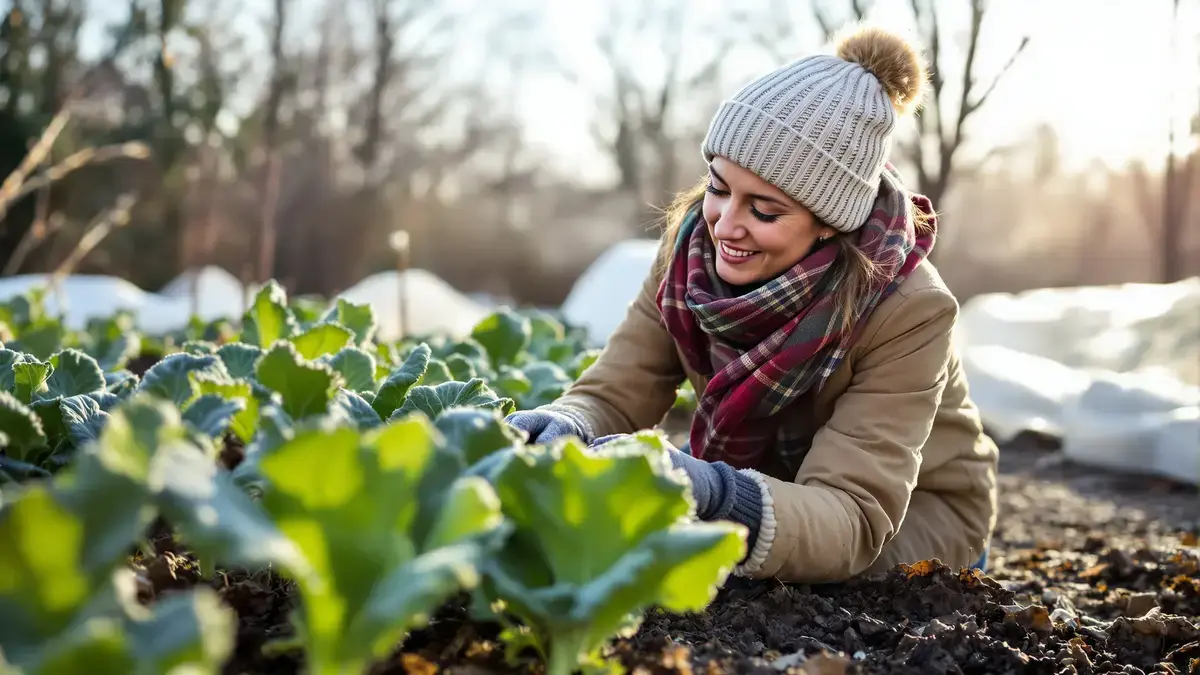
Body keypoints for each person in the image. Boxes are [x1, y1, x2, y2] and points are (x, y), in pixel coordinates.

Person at [505, 25, 998, 585]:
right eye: (719, 187)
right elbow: (615, 390)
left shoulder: (909, 307)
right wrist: (564, 423)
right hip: (772, 490)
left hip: (908, 514)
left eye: (764, 211)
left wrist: (711, 492)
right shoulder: (688, 250)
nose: (725, 226)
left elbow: (853, 515)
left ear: (828, 225)